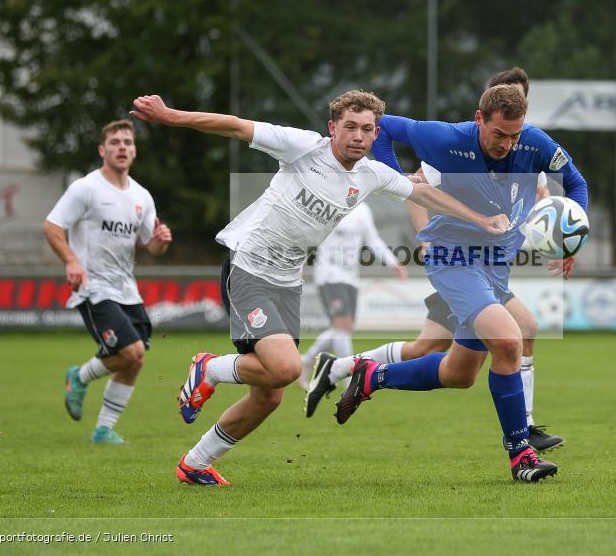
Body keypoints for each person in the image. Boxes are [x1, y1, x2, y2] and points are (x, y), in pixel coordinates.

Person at [129, 90, 509, 485]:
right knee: (286, 368)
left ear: (375, 133)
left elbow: (423, 192)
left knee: (269, 394)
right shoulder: (303, 147)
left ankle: (195, 463)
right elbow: (236, 126)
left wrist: (482, 220)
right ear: (332, 127)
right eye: (350, 127)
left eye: (367, 129)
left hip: (288, 282)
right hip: (248, 267)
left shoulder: (371, 174)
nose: (358, 136)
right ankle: (209, 368)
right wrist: (172, 116)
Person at [330, 83, 588, 483]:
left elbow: (576, 183)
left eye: (514, 136)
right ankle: (521, 455)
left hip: (495, 267)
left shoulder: (536, 143)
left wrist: (573, 239)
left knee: (459, 373)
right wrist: (396, 180)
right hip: (454, 259)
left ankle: (372, 375)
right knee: (509, 341)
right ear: (479, 119)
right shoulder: (447, 138)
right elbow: (383, 125)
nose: (506, 144)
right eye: (498, 134)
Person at [44, 119, 173, 444]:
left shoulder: (142, 195)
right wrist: (72, 261)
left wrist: (161, 241)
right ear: (102, 150)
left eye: (127, 142)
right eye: (115, 142)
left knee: (136, 359)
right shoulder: (86, 188)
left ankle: (103, 429)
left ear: (134, 151)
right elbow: (52, 226)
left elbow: (152, 246)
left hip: (126, 289)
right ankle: (80, 377)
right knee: (130, 351)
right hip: (93, 288)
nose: (122, 148)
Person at [297, 200, 407, 390]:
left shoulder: (363, 209)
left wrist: (393, 262)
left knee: (342, 329)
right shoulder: (329, 202)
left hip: (351, 277)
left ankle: (306, 361)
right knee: (343, 326)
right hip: (329, 274)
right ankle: (349, 380)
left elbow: (372, 240)